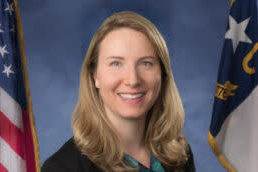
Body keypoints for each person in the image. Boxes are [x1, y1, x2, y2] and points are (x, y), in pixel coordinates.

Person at [41, 11, 195, 172]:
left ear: (162, 73)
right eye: (116, 63)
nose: (133, 80)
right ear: (94, 75)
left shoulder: (179, 153)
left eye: (146, 63)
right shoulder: (63, 167)